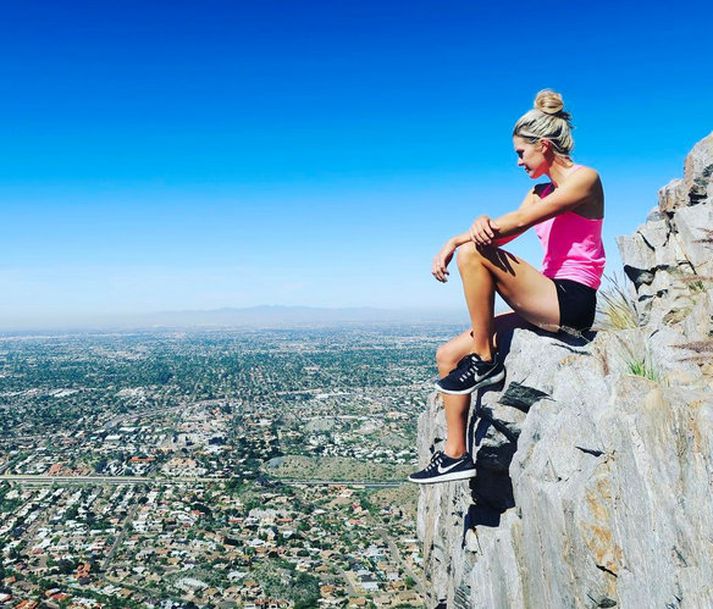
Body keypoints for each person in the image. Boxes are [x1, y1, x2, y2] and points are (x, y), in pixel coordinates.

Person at [409, 89, 605, 484]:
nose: (518, 162)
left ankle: (485, 360)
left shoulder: (585, 180)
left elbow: (515, 225)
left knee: (470, 256)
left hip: (572, 300)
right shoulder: (538, 191)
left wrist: (454, 242)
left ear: (544, 146)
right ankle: (455, 456)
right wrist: (479, 223)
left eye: (522, 153)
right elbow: (500, 233)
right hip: (543, 297)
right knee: (447, 356)